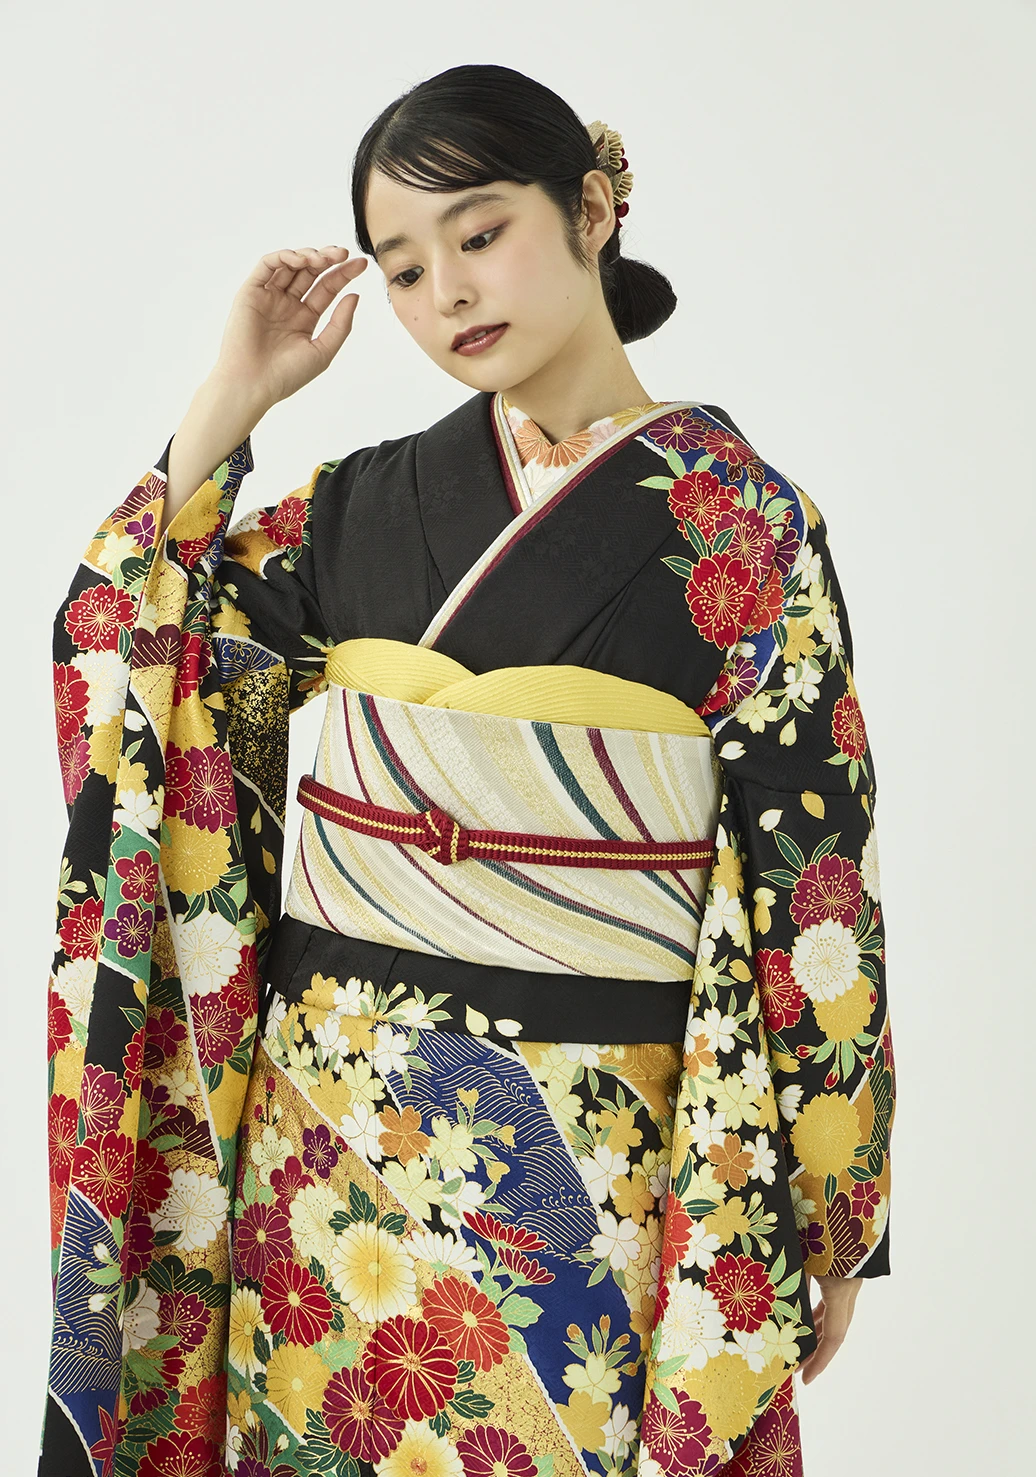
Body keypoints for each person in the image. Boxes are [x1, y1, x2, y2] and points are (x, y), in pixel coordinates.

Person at [40, 62, 895, 1477]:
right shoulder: (362, 505)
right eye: (402, 266)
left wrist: (829, 1207)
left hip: (586, 1149)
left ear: (593, 211)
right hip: (327, 1140)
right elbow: (140, 651)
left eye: (480, 233)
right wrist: (232, 395)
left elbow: (816, 880)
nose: (446, 291)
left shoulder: (746, 530)